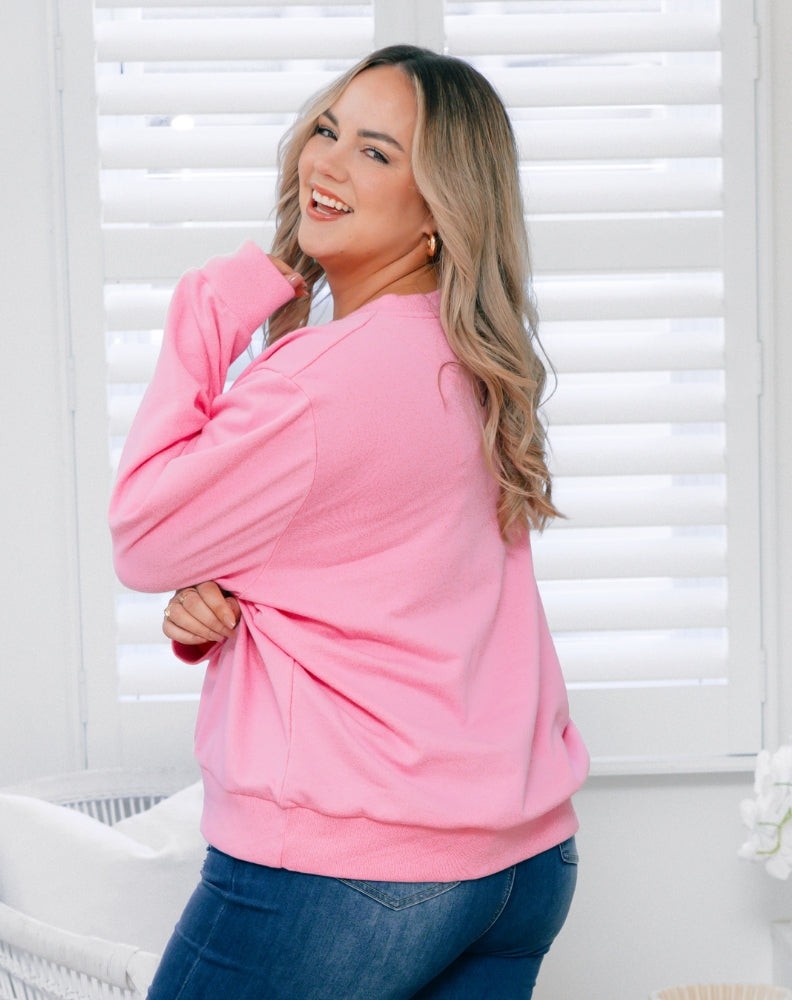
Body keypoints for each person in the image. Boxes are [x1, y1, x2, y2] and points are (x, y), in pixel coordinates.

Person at [109, 44, 589, 1000]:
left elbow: (140, 535)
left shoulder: (314, 384)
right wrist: (231, 601)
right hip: (523, 869)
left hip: (354, 871)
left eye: (376, 152)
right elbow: (383, 573)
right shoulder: (471, 364)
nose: (324, 163)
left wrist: (211, 305)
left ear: (439, 209)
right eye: (327, 130)